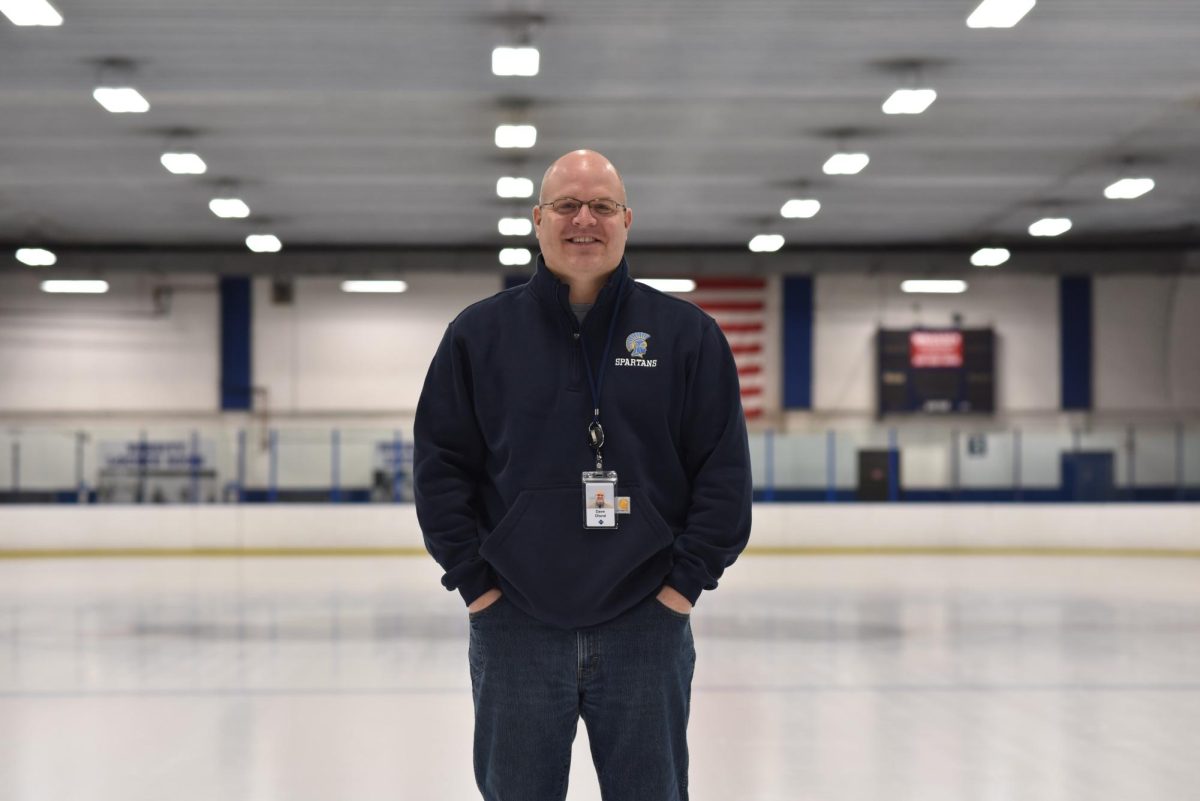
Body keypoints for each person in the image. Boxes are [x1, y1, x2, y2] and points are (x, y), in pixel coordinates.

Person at [414, 149, 752, 801]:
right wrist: (478, 586)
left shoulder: (686, 335)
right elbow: (439, 467)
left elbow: (723, 473)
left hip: (645, 623)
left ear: (627, 219)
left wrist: (682, 587)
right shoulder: (478, 335)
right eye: (567, 205)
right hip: (515, 623)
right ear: (538, 220)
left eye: (601, 205)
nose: (584, 220)